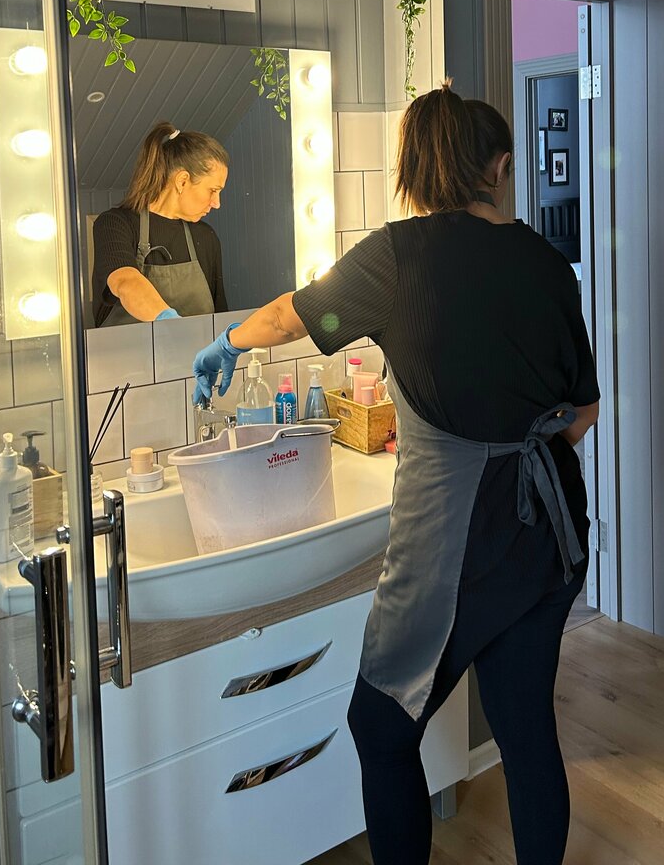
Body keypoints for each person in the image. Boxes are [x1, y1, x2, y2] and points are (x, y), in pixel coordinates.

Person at [191, 82, 599, 865]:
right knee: (525, 730)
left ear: (412, 168)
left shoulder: (398, 257)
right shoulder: (550, 264)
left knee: (380, 728)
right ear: (497, 168)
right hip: (548, 535)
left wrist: (230, 342)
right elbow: (583, 411)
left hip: (454, 537)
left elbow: (298, 314)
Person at [92, 122, 229, 326]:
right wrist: (172, 325)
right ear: (182, 181)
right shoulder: (115, 224)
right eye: (213, 190)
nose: (217, 203)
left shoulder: (206, 237)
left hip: (195, 349)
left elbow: (218, 315)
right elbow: (125, 281)